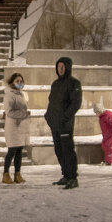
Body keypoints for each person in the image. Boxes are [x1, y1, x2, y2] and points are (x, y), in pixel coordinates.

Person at [44, 56, 82, 189]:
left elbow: (76, 103)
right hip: (54, 124)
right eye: (58, 67)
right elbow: (51, 102)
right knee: (59, 150)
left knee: (68, 151)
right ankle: (66, 175)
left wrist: (65, 118)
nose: (60, 69)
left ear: (68, 68)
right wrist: (47, 116)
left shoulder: (74, 83)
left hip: (65, 124)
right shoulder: (55, 84)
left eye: (63, 67)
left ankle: (73, 177)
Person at [1, 71, 31, 184]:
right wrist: (24, 114)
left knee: (19, 152)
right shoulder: (10, 94)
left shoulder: (20, 94)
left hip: (20, 127)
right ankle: (5, 174)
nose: (20, 82)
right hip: (13, 127)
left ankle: (17, 174)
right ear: (12, 82)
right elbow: (9, 112)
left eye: (21, 81)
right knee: (11, 151)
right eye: (17, 81)